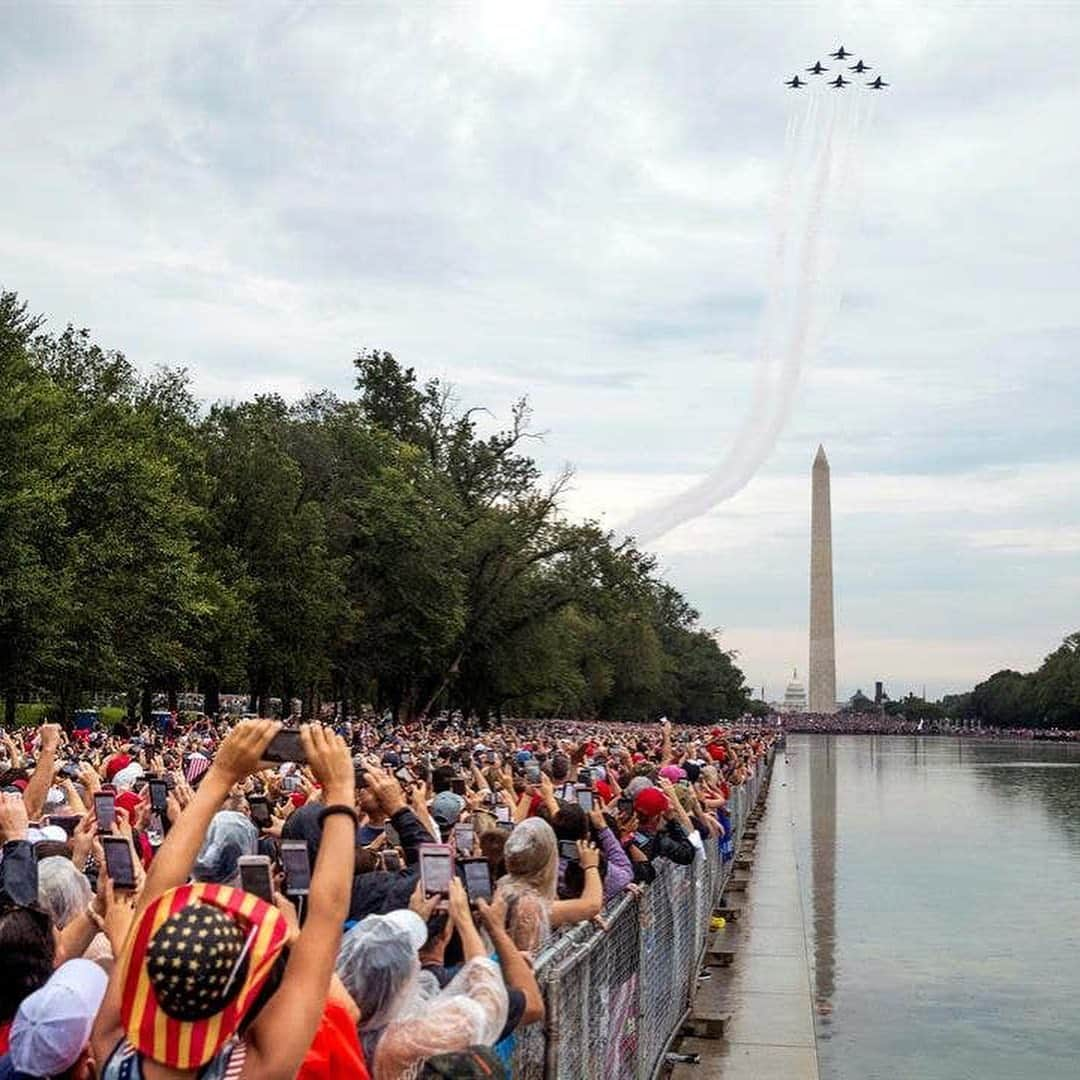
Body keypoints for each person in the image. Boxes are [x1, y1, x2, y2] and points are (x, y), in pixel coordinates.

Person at [91, 720, 357, 1080]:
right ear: (245, 983)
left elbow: (156, 892)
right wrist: (340, 786)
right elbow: (328, 912)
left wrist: (221, 774)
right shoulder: (257, 1069)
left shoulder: (110, 1047)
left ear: (146, 967)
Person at [336, 880, 509, 1080]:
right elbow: (487, 1004)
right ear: (403, 981)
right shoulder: (402, 1042)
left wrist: (414, 921)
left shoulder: (327, 1018)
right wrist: (464, 920)